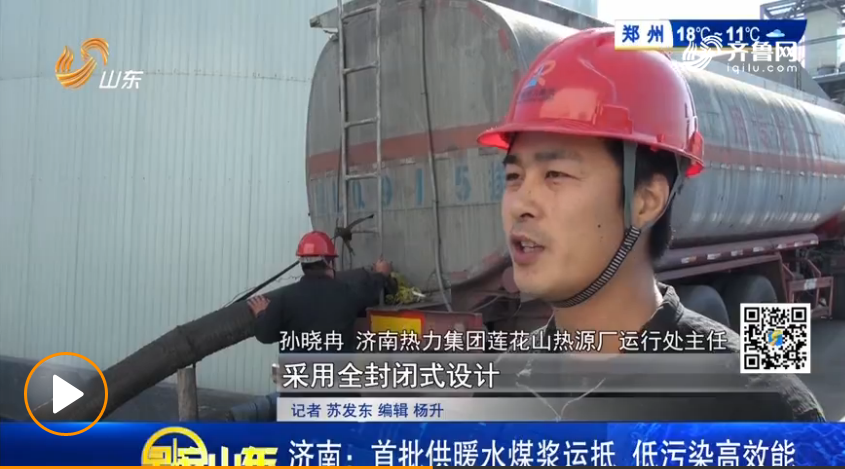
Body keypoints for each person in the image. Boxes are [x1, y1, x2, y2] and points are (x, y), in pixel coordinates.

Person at [477, 27, 825, 421]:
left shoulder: (761, 409)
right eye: (513, 177)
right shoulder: (500, 390)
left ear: (646, 201)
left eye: (555, 174)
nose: (520, 203)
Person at [249, 230, 397, 352]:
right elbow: (370, 289)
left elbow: (265, 335)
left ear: (302, 264)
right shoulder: (348, 293)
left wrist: (262, 314)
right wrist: (381, 273)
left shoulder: (284, 299)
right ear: (330, 261)